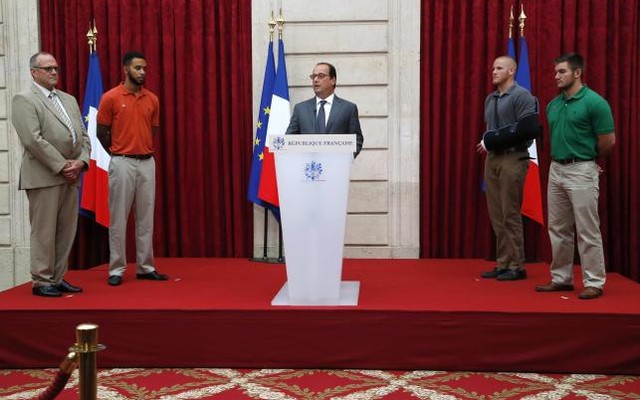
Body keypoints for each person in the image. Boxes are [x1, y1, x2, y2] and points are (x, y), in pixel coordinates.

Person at [535, 53, 615, 300]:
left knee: (587, 229)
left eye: (562, 72)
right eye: (556, 72)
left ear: (577, 73)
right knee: (557, 228)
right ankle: (561, 278)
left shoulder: (596, 103)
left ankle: (594, 282)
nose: (556, 76)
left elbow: (608, 142)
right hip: (556, 169)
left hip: (581, 170)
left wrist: (587, 162)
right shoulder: (553, 105)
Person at [11, 52, 90, 297]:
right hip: (44, 176)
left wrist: (81, 162)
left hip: (70, 175)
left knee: (66, 230)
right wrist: (62, 166)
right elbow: (33, 140)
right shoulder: (24, 99)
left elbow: (83, 136)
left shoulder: (68, 99)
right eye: (47, 69)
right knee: (44, 231)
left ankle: (57, 277)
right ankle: (41, 280)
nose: (54, 72)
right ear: (33, 72)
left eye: (56, 68)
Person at [97, 51, 168, 286]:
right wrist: (120, 153)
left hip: (147, 162)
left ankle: (146, 267)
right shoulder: (110, 98)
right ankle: (116, 269)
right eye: (138, 68)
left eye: (145, 68)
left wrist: (140, 148)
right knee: (118, 218)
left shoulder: (152, 99)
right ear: (125, 69)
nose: (143, 72)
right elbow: (101, 133)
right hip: (122, 162)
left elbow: (153, 130)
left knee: (146, 218)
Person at [477, 56, 539, 281]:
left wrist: (493, 140)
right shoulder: (490, 98)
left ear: (511, 71)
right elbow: (490, 129)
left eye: (499, 68)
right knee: (497, 214)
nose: (494, 71)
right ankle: (503, 262)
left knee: (510, 212)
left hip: (513, 158)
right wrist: (490, 144)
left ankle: (517, 265)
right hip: (493, 160)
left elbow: (527, 129)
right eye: (493, 67)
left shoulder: (522, 96)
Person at [286, 62, 364, 157]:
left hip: (336, 167)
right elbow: (289, 139)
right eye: (313, 76)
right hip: (308, 168)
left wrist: (345, 159)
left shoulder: (348, 108)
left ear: (333, 80)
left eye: (321, 76)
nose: (315, 80)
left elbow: (357, 140)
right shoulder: (300, 109)